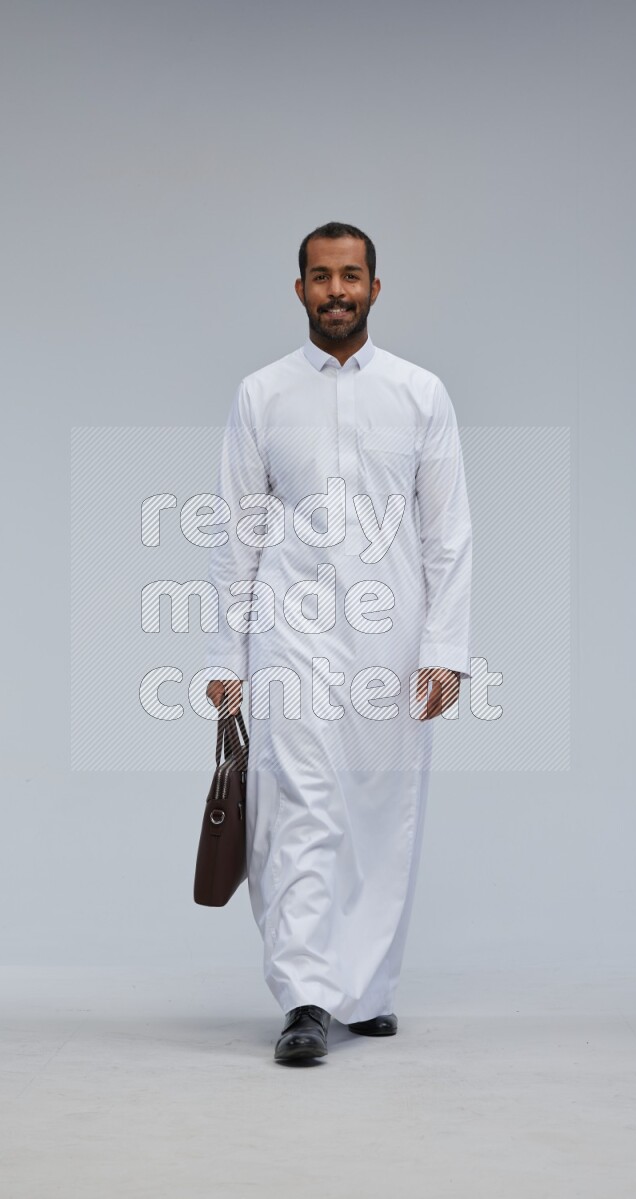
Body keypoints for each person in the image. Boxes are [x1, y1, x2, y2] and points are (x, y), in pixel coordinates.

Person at [202, 221, 472, 1064]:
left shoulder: (420, 393)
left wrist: (446, 649)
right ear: (300, 290)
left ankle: (369, 988)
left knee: (383, 813)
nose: (336, 290)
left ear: (376, 288)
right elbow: (235, 533)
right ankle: (309, 995)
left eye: (351, 275)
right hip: (292, 639)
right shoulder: (263, 395)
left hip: (392, 644)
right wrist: (224, 658)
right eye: (321, 277)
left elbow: (449, 533)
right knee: (302, 811)